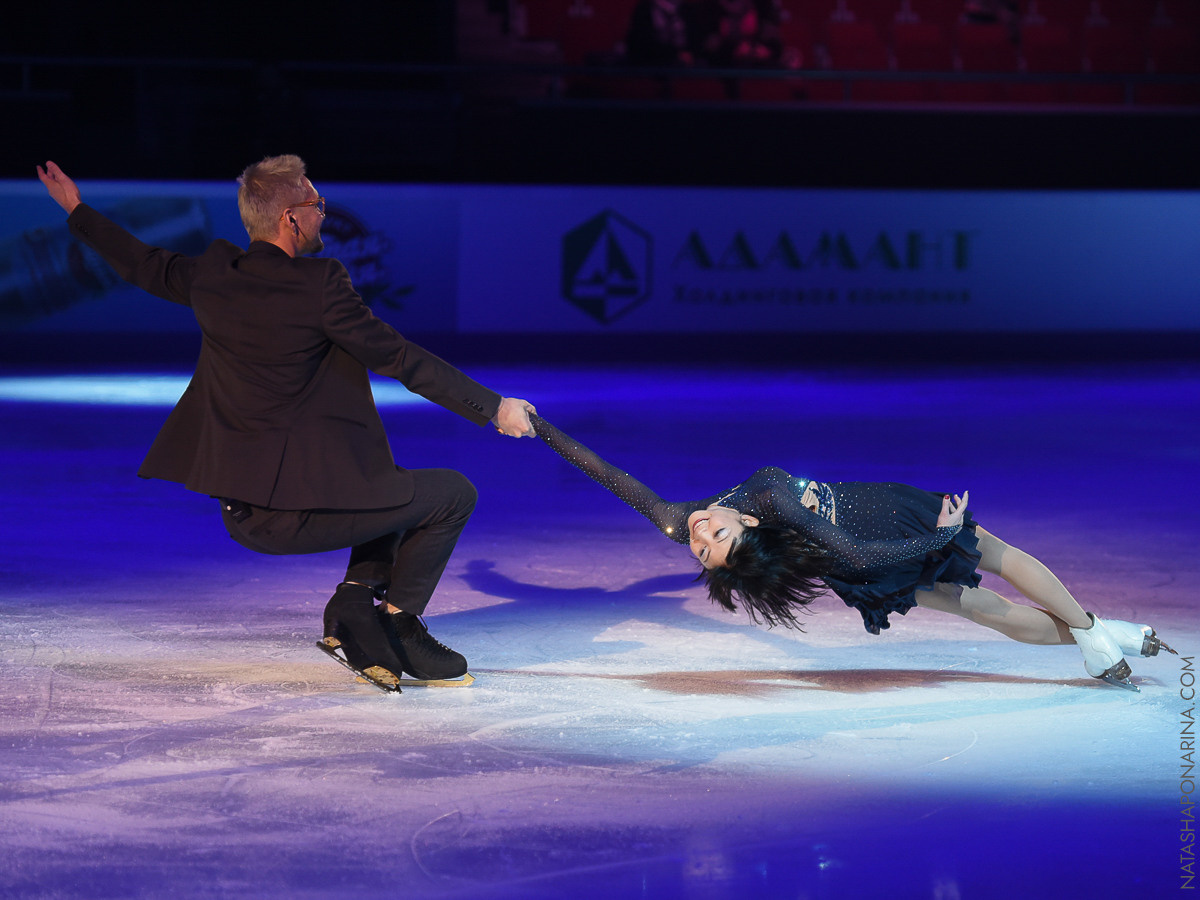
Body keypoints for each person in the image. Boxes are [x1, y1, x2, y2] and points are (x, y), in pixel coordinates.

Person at [37, 157, 537, 692]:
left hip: (243, 511)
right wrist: (493, 407)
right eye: (316, 205)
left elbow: (141, 262)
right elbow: (398, 358)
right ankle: (399, 624)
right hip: (295, 513)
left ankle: (352, 605)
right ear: (291, 219)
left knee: (388, 484)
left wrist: (77, 210)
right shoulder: (319, 285)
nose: (322, 214)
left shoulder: (213, 276)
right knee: (451, 494)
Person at [530, 414, 1174, 692]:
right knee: (996, 563)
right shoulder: (772, 503)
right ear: (749, 521)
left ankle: (1107, 635)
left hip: (861, 556)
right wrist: (942, 536)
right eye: (710, 546)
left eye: (706, 543)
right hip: (885, 526)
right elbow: (862, 555)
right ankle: (1093, 630)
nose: (698, 534)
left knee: (979, 608)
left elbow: (608, 474)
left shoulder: (678, 520)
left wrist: (539, 428)